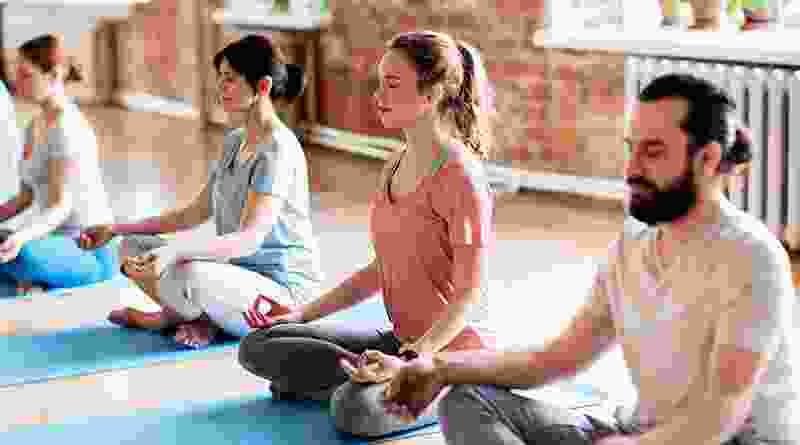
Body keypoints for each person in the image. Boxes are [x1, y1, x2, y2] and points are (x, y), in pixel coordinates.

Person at [384, 73, 799, 445]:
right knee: (467, 401)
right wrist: (440, 367)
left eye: (653, 152)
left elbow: (721, 411)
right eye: (631, 149)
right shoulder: (633, 243)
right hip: (638, 430)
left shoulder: (752, 257)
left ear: (707, 159)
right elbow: (554, 359)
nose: (631, 169)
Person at [236, 30, 497, 439]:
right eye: (379, 83)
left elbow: (468, 295)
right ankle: (358, 376)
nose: (378, 95)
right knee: (259, 344)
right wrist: (302, 315)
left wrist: (412, 360)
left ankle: (362, 386)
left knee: (353, 409)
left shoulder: (462, 178)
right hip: (400, 341)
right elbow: (382, 269)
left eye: (392, 84)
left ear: (431, 95)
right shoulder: (395, 164)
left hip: (450, 357)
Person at [80, 35, 322, 349]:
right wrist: (115, 228)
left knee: (192, 271)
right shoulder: (235, 142)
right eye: (219, 77)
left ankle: (183, 318)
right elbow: (192, 214)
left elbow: (249, 239)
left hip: (283, 294)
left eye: (230, 79)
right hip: (234, 279)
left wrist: (176, 252)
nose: (220, 86)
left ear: (262, 86)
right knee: (133, 247)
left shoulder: (278, 150)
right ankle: (195, 317)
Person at [0, 34, 118, 294]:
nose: (16, 82)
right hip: (57, 243)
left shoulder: (68, 128)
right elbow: (24, 198)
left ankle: (33, 279)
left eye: (25, 75)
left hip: (89, 249)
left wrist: (21, 237)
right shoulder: (34, 126)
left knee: (18, 253)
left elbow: (60, 206)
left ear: (53, 75)